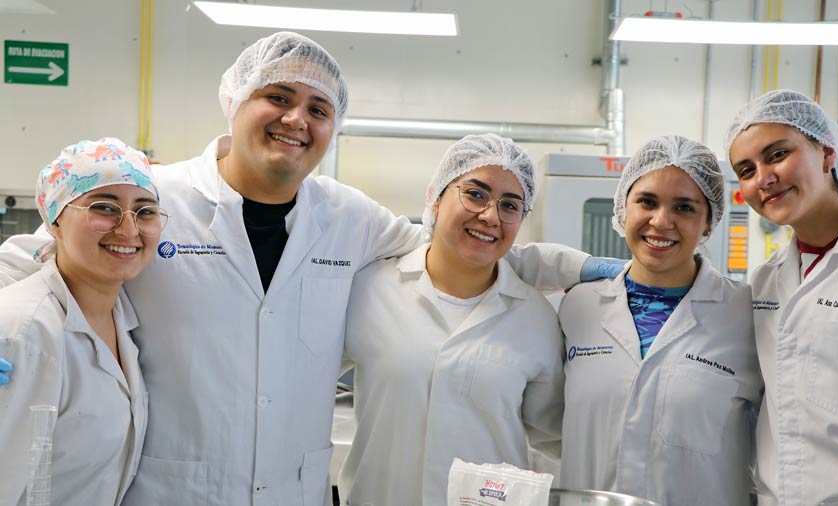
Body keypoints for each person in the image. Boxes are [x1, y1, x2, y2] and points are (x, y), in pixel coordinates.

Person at [0, 32, 620, 505]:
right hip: (172, 485)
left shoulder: (349, 217)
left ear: (333, 127)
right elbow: (40, 251)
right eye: (278, 97)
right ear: (235, 101)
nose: (297, 119)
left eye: (318, 108)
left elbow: (456, 242)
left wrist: (583, 265)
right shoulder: (152, 199)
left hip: (292, 486)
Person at [338, 134, 564, 506]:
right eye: (475, 194)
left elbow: (554, 437)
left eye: (510, 205)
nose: (490, 216)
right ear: (436, 199)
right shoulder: (369, 289)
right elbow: (303, 385)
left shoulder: (536, 316)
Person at [557, 135, 763, 505]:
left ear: (708, 223)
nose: (661, 221)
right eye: (647, 202)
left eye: (684, 208)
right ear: (623, 209)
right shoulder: (578, 308)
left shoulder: (747, 315)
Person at [725, 89, 838, 504]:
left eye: (777, 154)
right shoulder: (767, 281)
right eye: (746, 170)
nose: (763, 178)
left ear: (826, 153)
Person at [0, 138, 165, 504]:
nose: (128, 230)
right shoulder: (23, 333)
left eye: (146, 211)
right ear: (54, 222)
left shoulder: (120, 321)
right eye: (104, 208)